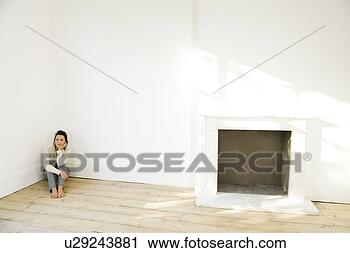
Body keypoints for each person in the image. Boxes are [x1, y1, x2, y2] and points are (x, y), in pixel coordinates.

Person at [44, 130, 71, 198]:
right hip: (52, 173)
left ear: (65, 142)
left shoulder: (68, 150)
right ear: (54, 141)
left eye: (61, 140)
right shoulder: (49, 149)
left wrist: (60, 150)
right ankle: (53, 189)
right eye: (57, 139)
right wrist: (59, 172)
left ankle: (60, 188)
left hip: (64, 171)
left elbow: (60, 164)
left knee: (62, 165)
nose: (59, 142)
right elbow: (47, 166)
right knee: (50, 165)